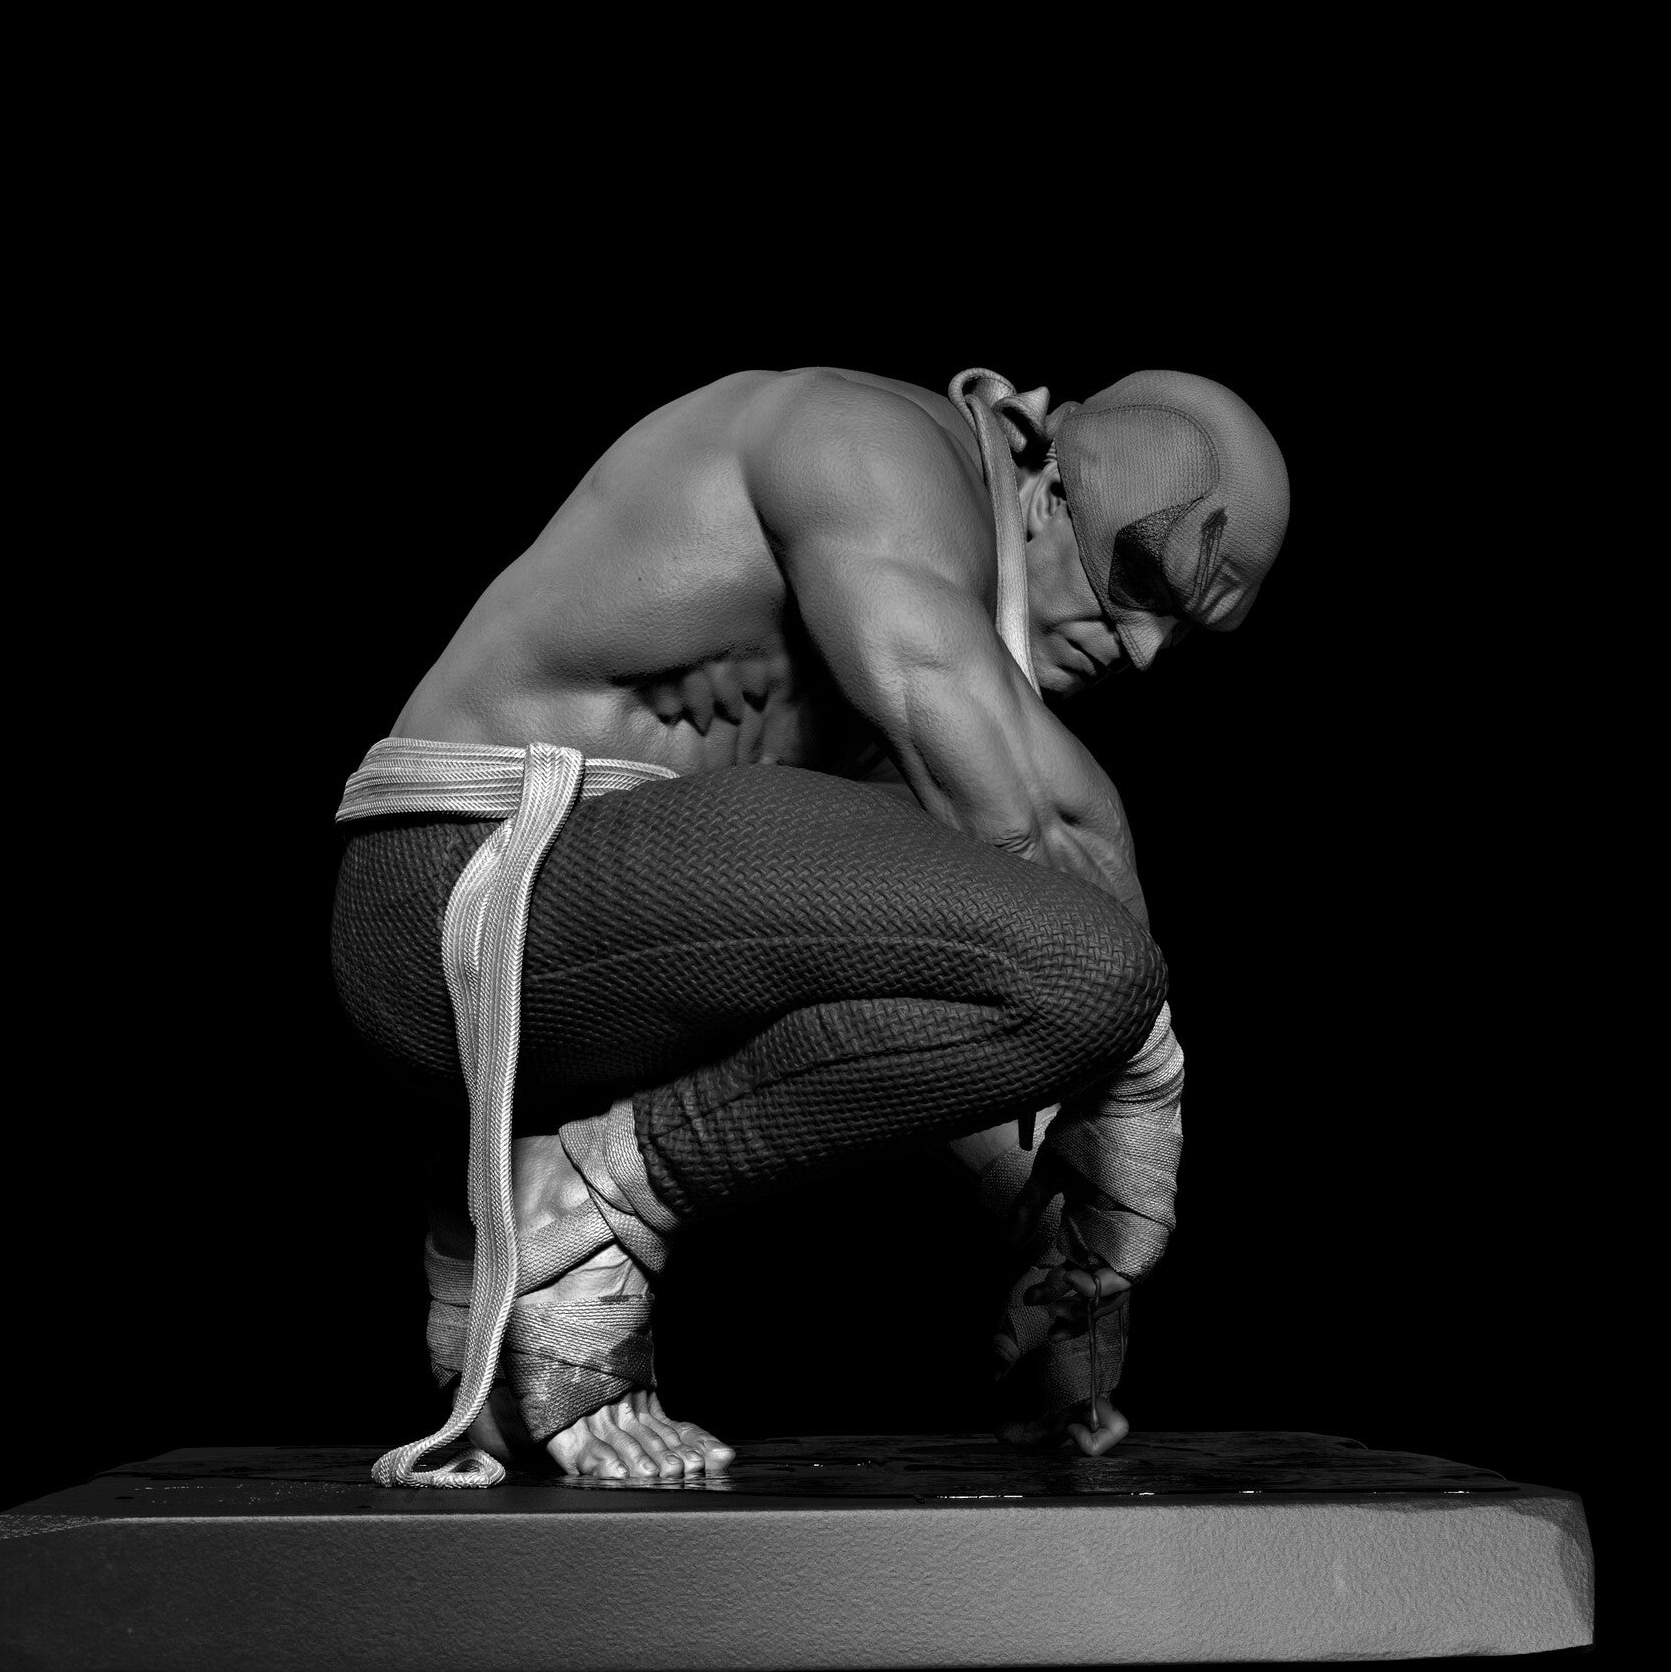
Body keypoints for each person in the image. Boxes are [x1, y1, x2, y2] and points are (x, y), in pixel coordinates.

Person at [330, 364, 1289, 1486]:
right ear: (1043, 482)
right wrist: (1141, 1085)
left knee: (1036, 969)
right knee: (1082, 959)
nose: (1143, 649)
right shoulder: (862, 442)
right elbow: (1042, 836)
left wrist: (1062, 1261)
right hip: (456, 898)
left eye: (1181, 628)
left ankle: (523, 1231)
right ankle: (579, 1213)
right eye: (1137, 579)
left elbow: (974, 972)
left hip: (588, 959)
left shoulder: (914, 647)